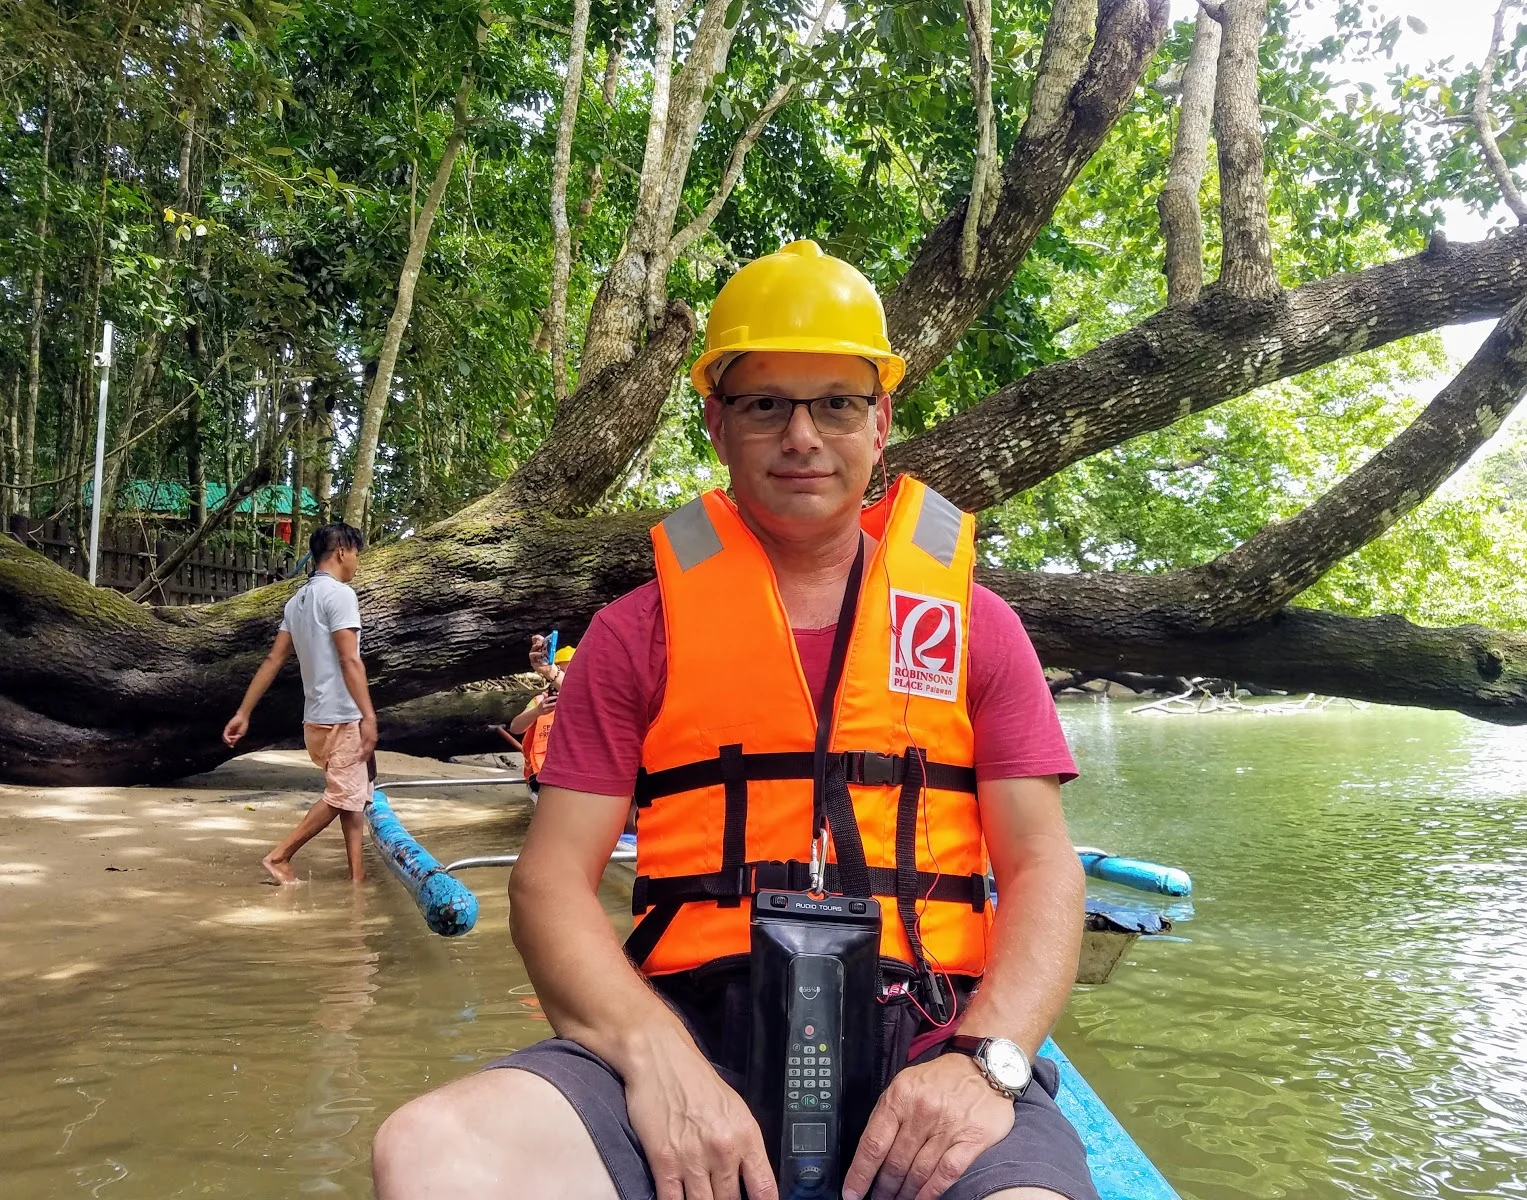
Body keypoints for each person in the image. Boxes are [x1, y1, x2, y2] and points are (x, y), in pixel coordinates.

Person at [373, 240, 1093, 1200]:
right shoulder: (634, 635)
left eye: (836, 403)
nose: (802, 436)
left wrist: (987, 1061)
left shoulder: (978, 628)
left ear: (881, 422)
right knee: (430, 1150)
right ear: (717, 423)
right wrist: (654, 1056)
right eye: (765, 406)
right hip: (690, 1034)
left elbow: (1042, 867)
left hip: (930, 1037)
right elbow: (548, 882)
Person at [223, 521, 377, 885]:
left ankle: (357, 877)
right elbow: (350, 660)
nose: (356, 562)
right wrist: (368, 716)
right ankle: (280, 856)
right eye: (356, 554)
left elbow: (273, 659)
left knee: (352, 796)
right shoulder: (340, 595)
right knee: (343, 795)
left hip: (315, 721)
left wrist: (243, 713)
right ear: (342, 551)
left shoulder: (298, 601)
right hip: (341, 716)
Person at [509, 639, 575, 791]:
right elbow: (515, 727)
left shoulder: (586, 703)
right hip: (540, 776)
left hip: (573, 774)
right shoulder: (540, 700)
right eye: (562, 672)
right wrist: (537, 711)